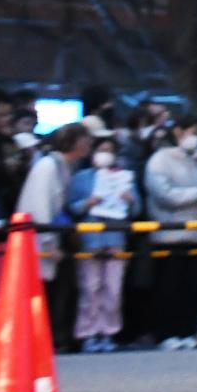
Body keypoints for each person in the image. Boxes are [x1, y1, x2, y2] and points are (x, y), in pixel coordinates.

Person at [20, 122, 93, 351]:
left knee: (56, 290)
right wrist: (49, 244)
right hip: (42, 239)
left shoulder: (63, 166)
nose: (89, 145)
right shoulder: (48, 166)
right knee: (44, 292)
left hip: (52, 236)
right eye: (85, 140)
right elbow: (41, 208)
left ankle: (51, 339)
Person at [143, 119, 197, 350]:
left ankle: (189, 330)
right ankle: (166, 333)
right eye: (191, 131)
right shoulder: (159, 160)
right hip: (170, 234)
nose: (195, 136)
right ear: (178, 132)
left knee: (194, 287)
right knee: (169, 287)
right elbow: (165, 195)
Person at [68, 135, 138, 352]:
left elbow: (136, 210)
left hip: (115, 237)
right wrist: (89, 202)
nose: (105, 154)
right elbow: (72, 207)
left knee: (113, 288)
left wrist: (129, 199)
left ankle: (109, 332)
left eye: (109, 150)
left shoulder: (124, 178)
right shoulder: (82, 177)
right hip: (91, 238)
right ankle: (88, 333)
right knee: (90, 287)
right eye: (101, 149)